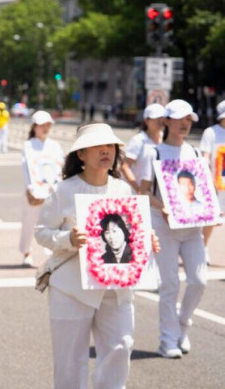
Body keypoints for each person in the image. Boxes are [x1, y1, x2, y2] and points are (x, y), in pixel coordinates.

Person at [35, 122, 160, 388]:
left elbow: (132, 231)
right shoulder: (64, 190)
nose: (106, 151)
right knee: (70, 360)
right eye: (97, 146)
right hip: (71, 288)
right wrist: (66, 239)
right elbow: (41, 232)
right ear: (81, 154)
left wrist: (146, 239)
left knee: (120, 347)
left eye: (110, 146)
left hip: (115, 288)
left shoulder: (123, 189)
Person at [138, 99, 207, 359]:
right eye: (180, 119)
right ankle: (167, 340)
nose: (185, 124)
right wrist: (161, 207)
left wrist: (209, 210)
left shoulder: (196, 153)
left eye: (189, 120)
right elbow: (144, 191)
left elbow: (201, 192)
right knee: (169, 284)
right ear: (166, 121)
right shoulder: (153, 153)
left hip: (192, 228)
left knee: (199, 281)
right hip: (164, 226)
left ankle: (182, 325)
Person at [19, 111, 64, 267]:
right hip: (34, 190)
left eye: (48, 125)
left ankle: (52, 254)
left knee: (53, 223)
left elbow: (60, 168)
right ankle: (27, 252)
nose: (45, 128)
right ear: (35, 126)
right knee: (30, 222)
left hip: (52, 191)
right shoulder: (28, 145)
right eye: (42, 125)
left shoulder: (55, 146)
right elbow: (26, 168)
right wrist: (29, 188)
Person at [198, 99, 225, 262]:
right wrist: (207, 178)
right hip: (215, 182)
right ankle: (204, 247)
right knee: (211, 219)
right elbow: (205, 156)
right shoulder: (211, 132)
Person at [121, 103, 164, 192]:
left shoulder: (166, 140)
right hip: (139, 193)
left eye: (162, 118)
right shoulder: (138, 140)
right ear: (146, 121)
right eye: (156, 119)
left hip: (158, 194)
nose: (160, 122)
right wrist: (138, 189)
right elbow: (125, 166)